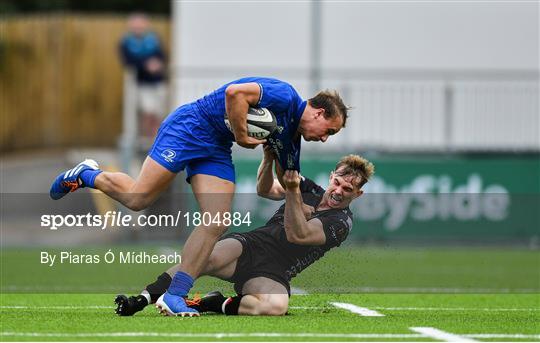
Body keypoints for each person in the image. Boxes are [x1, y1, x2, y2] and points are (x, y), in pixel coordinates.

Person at [50, 77, 349, 316]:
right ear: (319, 113)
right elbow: (234, 93)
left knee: (217, 221)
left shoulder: (290, 143)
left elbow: (276, 188)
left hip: (217, 146)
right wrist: (244, 135)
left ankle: (176, 295)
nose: (324, 138)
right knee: (138, 199)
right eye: (328, 131)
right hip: (191, 126)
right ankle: (86, 174)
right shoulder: (284, 95)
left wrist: (294, 192)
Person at [115, 150, 374, 316]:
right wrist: (269, 157)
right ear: (332, 177)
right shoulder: (309, 189)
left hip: (276, 270)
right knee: (202, 258)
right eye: (337, 182)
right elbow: (264, 189)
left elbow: (299, 235)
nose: (339, 191)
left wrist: (293, 192)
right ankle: (140, 299)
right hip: (251, 245)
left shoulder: (341, 222)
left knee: (275, 307)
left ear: (358, 194)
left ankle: (210, 303)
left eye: (348, 189)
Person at [119, 13, 167, 138]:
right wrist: (146, 65)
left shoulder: (153, 39)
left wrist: (157, 64)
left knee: (158, 114)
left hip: (158, 82)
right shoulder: (126, 42)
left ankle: (157, 139)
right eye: (136, 25)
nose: (138, 28)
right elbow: (128, 61)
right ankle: (148, 140)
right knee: (148, 112)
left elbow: (163, 55)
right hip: (141, 84)